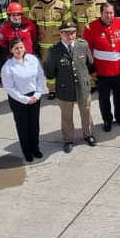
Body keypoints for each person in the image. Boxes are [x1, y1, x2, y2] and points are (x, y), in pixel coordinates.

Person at [44, 22, 97, 153]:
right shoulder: (54, 51)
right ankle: (68, 139)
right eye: (66, 33)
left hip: (82, 87)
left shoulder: (82, 45)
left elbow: (90, 64)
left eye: (72, 32)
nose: (70, 36)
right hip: (64, 89)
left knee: (86, 112)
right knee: (67, 116)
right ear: (61, 34)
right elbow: (49, 72)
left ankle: (88, 134)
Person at [83, 3, 120, 130]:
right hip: (102, 71)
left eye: (111, 13)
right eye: (106, 13)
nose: (109, 16)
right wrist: (91, 69)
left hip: (119, 68)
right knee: (104, 98)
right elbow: (86, 51)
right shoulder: (90, 28)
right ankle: (107, 120)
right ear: (100, 13)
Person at [1, 38, 45, 162]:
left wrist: (37, 94)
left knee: (34, 125)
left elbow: (40, 77)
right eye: (16, 48)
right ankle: (27, 151)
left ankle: (35, 148)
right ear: (11, 50)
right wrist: (25, 99)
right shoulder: (8, 67)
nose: (19, 50)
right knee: (23, 126)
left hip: (34, 97)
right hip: (18, 99)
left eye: (21, 47)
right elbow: (10, 88)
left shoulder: (33, 59)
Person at [29, 0, 72, 99]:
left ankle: (65, 87)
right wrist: (33, 44)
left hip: (60, 43)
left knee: (63, 66)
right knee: (48, 67)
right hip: (43, 45)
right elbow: (31, 28)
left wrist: (68, 42)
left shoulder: (62, 6)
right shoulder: (35, 8)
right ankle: (52, 90)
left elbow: (68, 25)